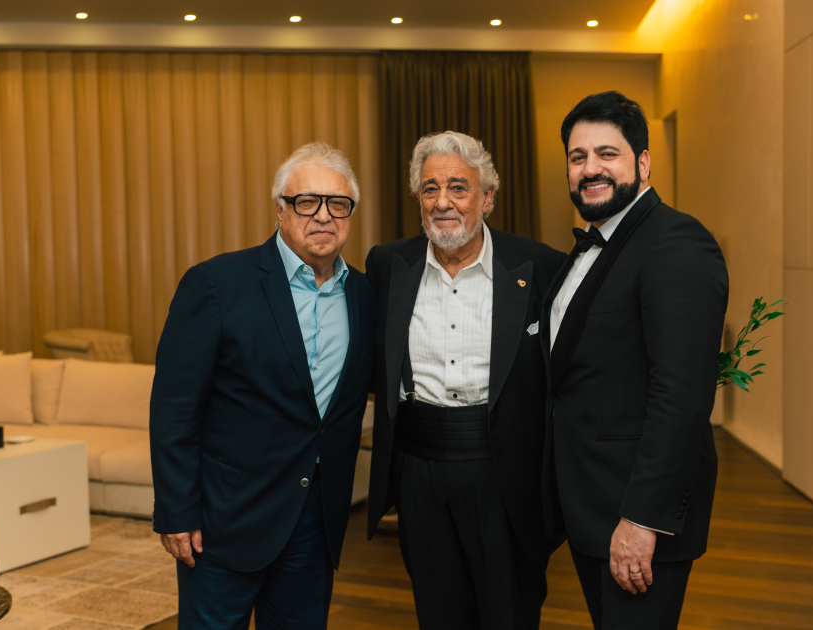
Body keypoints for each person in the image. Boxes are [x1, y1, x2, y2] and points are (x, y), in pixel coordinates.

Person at [149, 142, 375, 629]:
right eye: (306, 202)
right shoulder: (216, 284)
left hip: (316, 520)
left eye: (338, 204)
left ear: (350, 214)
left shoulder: (363, 294)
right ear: (279, 209)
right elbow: (174, 409)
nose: (323, 216)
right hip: (225, 520)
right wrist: (176, 511)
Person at [364, 131, 567, 630]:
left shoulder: (540, 265)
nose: (443, 202)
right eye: (430, 189)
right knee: (438, 610)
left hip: (504, 467)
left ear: (487, 196)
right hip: (418, 464)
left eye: (458, 187)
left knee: (508, 609)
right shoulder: (388, 265)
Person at [542, 91, 729, 629]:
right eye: (578, 157)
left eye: (608, 153)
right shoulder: (594, 245)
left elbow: (682, 397)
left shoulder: (676, 243)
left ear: (643, 163)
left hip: (636, 519)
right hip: (591, 508)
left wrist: (642, 520)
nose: (590, 169)